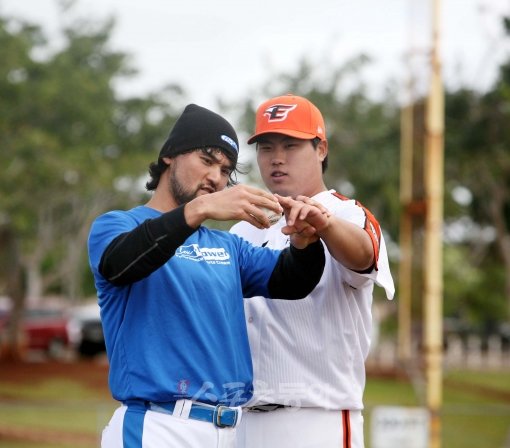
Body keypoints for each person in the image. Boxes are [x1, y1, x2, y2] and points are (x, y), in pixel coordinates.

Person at [87, 103, 331, 448]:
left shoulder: (227, 246)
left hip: (229, 431)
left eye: (226, 169)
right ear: (170, 155)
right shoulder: (117, 225)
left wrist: (306, 241)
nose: (217, 177)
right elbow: (120, 263)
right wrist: (197, 210)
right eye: (207, 160)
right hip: (159, 426)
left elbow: (292, 280)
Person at [230, 94, 395, 448]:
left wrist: (326, 226)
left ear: (321, 149)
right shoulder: (244, 228)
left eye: (291, 145)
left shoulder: (346, 213)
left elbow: (364, 256)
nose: (276, 158)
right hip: (245, 419)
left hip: (318, 418)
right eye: (266, 147)